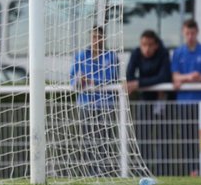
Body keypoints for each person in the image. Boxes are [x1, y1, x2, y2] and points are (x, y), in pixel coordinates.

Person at [70, 25, 120, 176]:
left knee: (105, 139)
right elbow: (73, 79)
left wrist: (91, 81)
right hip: (85, 104)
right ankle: (88, 172)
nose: (96, 40)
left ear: (104, 38)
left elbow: (111, 77)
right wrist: (80, 81)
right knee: (86, 140)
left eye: (99, 37)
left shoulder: (111, 56)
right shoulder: (81, 56)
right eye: (93, 37)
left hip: (105, 104)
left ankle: (105, 172)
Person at [171, 19, 201, 176]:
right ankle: (192, 170)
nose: (190, 36)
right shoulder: (178, 53)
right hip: (184, 103)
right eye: (187, 33)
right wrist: (189, 77)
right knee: (187, 138)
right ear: (183, 33)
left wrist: (197, 78)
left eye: (192, 33)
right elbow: (175, 76)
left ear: (197, 32)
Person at [125, 29, 172, 175]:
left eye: (150, 45)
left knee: (163, 137)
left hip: (162, 100)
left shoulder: (163, 53)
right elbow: (129, 76)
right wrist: (141, 83)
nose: (147, 49)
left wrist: (139, 83)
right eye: (144, 45)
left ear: (156, 45)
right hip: (145, 100)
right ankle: (142, 171)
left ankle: (162, 172)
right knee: (142, 137)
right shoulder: (136, 53)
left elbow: (164, 77)